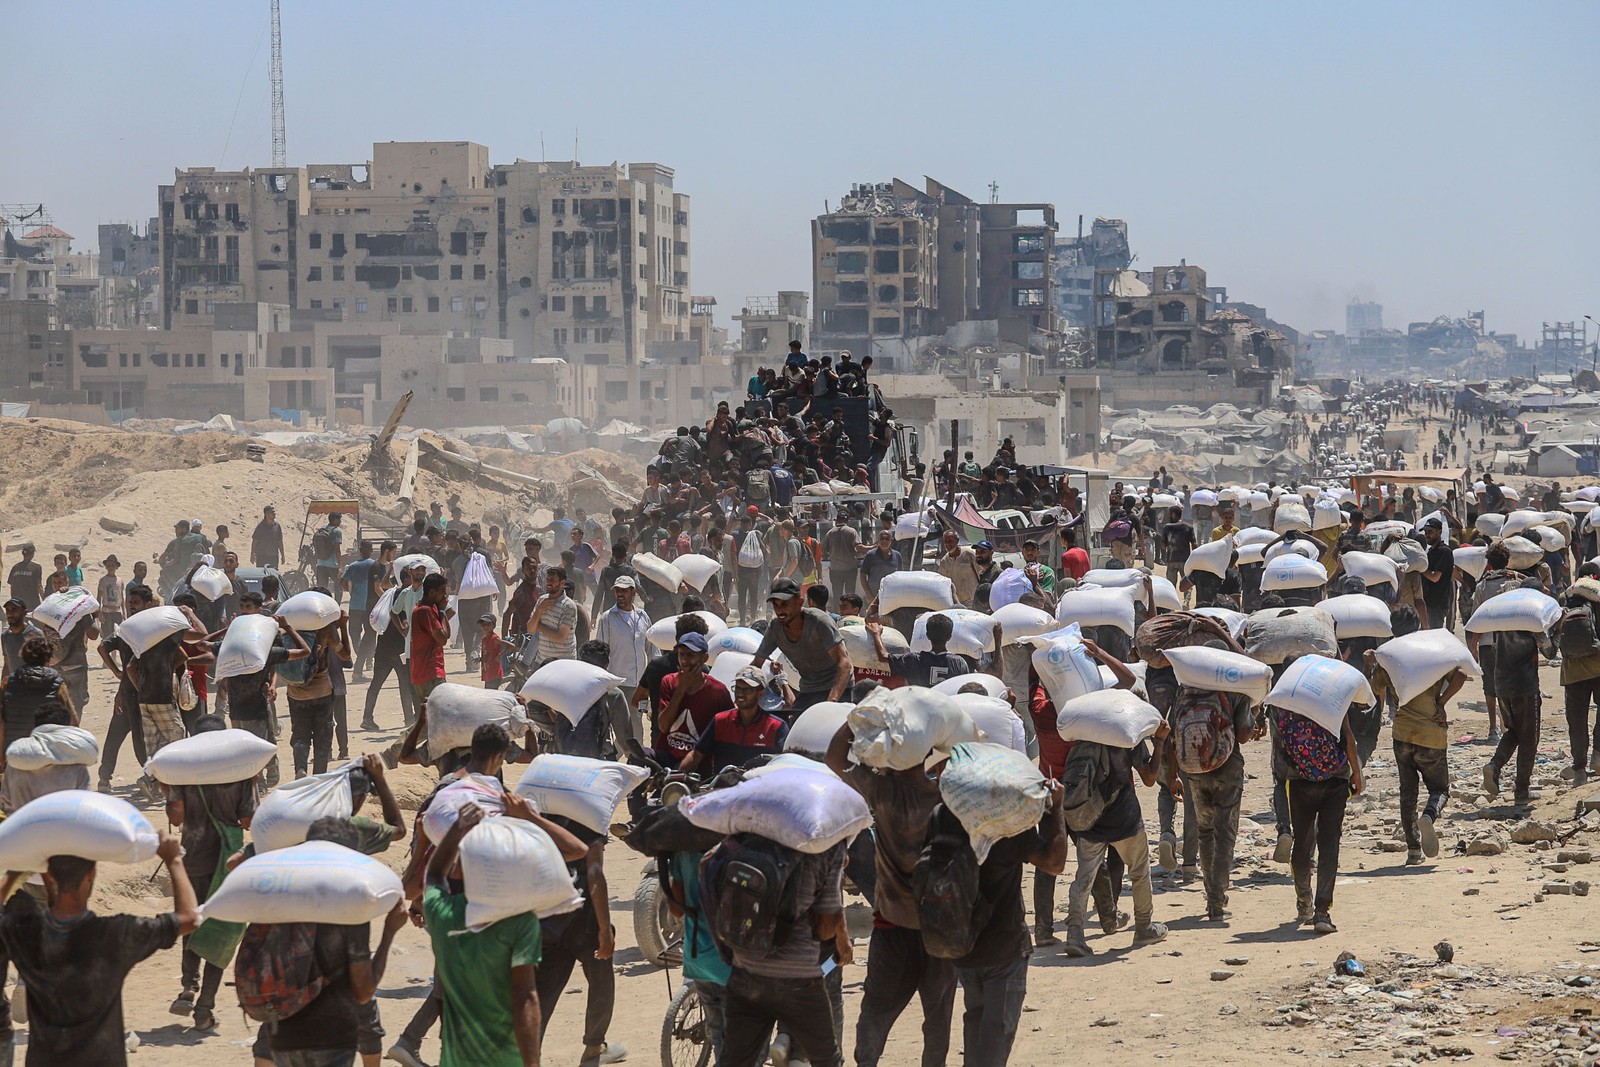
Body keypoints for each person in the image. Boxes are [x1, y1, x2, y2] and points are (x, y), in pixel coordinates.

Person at [0, 830, 198, 1067]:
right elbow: (189, 919)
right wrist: (174, 860)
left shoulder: (24, 933)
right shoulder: (115, 934)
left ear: (47, 876)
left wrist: (13, 873)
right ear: (91, 875)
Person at [824, 721, 956, 1067]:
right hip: (940, 927)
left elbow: (834, 757)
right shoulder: (945, 796)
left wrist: (857, 718)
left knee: (876, 1011)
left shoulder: (882, 792)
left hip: (892, 923)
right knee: (938, 1016)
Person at [423, 794, 587, 1067]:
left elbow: (434, 874)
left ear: (460, 872)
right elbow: (525, 997)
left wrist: (457, 828)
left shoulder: (441, 916)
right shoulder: (518, 923)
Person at [239, 817, 409, 1067]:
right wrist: (389, 932)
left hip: (283, 1036)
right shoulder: (350, 909)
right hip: (331, 1039)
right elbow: (363, 992)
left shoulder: (282, 899)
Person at [939, 778, 1068, 1066]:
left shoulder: (945, 820)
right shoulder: (1007, 827)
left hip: (963, 949)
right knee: (995, 1039)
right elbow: (1054, 862)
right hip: (1004, 950)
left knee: (975, 1025)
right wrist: (1055, 808)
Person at [710, 834, 847, 1067]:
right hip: (799, 978)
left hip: (746, 972)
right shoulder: (826, 846)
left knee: (734, 1061)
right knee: (828, 1060)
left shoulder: (745, 837)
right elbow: (825, 929)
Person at [161, 714, 254, 1031]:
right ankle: (205, 1009)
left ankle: (189, 985)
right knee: (222, 931)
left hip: (194, 859)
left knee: (192, 921)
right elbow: (247, 821)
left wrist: (167, 791)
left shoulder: (183, 771)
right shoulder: (241, 772)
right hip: (228, 862)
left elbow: (176, 818)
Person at [1059, 719, 1171, 957]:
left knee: (1084, 877)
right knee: (1139, 872)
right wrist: (1160, 742)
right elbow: (1150, 778)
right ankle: (1144, 927)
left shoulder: (1082, 737)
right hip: (1124, 819)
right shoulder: (1127, 735)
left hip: (1089, 820)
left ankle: (1075, 933)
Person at [1164, 650, 1258, 922]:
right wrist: (1253, 713)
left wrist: (1173, 775)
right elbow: (1244, 734)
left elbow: (1172, 735)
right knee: (1225, 834)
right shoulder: (1235, 689)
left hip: (1194, 772)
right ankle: (1216, 898)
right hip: (1228, 771)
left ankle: (1210, 891)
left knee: (1205, 831)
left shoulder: (1185, 691)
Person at [1266, 703, 1363, 932]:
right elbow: (1348, 736)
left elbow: (1279, 747)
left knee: (1302, 842)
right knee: (1329, 844)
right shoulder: (1333, 696)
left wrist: (1284, 779)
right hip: (1336, 777)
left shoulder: (1286, 699)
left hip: (1299, 779)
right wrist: (1356, 772)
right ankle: (1322, 912)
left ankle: (1304, 899)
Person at [1367, 641, 1463, 864]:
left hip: (1402, 735)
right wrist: (1441, 702)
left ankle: (1413, 851)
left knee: (1408, 793)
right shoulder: (1433, 656)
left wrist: (1368, 664)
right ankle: (1429, 815)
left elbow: (1372, 689)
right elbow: (1460, 675)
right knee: (1440, 789)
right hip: (1431, 735)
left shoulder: (1391, 662)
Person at [751, 578, 852, 715]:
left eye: (785, 604)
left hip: (839, 688)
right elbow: (756, 664)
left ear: (799, 602)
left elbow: (844, 663)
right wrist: (743, 690)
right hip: (809, 689)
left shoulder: (819, 622)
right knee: (795, 723)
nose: (779, 610)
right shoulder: (775, 628)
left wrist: (831, 702)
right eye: (775, 604)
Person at [679, 665, 788, 774]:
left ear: (761, 693)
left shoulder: (776, 726)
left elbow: (785, 763)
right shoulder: (720, 720)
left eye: (747, 690)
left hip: (758, 784)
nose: (740, 693)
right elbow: (696, 755)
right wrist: (677, 777)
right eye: (738, 688)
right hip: (721, 783)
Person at [286, 614, 351, 779]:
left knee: (300, 735)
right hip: (321, 692)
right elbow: (345, 655)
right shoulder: (326, 629)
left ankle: (300, 769)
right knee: (322, 738)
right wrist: (343, 626)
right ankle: (318, 778)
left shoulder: (290, 627)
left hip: (296, 693)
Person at [655, 632, 732, 767]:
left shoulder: (717, 691)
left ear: (704, 658)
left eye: (690, 655)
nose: (684, 661)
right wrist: (681, 690)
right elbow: (663, 726)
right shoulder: (669, 682)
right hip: (667, 756)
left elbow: (728, 731)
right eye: (681, 655)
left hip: (698, 762)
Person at [867, 613, 967, 688]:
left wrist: (876, 634)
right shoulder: (959, 663)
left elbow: (883, 656)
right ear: (949, 637)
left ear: (927, 635)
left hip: (919, 707)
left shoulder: (913, 659)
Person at [595, 575, 652, 693]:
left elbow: (652, 649)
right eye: (617, 590)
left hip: (640, 684)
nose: (620, 594)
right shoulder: (607, 618)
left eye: (624, 590)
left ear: (633, 592)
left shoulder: (643, 616)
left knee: (640, 706)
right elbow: (600, 653)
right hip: (618, 685)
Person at [342, 540, 387, 682]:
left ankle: (362, 655)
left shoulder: (353, 566)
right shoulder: (376, 565)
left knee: (354, 633)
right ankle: (368, 660)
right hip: (371, 605)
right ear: (371, 550)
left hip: (355, 605)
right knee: (370, 634)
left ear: (360, 551)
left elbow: (343, 581)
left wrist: (352, 591)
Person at [409, 573, 453, 712]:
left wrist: (441, 611)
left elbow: (447, 634)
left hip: (426, 673)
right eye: (442, 592)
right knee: (440, 715)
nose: (445, 596)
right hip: (430, 673)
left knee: (430, 717)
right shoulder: (425, 611)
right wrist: (442, 611)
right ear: (432, 592)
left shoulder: (431, 608)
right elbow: (442, 639)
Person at [527, 565, 578, 665]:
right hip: (542, 661)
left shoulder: (568, 606)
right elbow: (530, 629)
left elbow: (560, 637)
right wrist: (539, 610)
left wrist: (538, 625)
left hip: (563, 663)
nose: (549, 583)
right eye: (548, 579)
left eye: (553, 580)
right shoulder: (542, 600)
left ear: (562, 583)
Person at [1419, 518, 1455, 629]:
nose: (1427, 535)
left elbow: (1435, 577)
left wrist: (1419, 568)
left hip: (1436, 604)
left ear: (1439, 532)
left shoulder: (1444, 551)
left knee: (1433, 635)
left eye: (1430, 532)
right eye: (1425, 532)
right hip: (1427, 602)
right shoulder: (1431, 551)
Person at [937, 531, 981, 608]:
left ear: (957, 541)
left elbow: (981, 574)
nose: (948, 544)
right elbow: (943, 583)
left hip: (973, 601)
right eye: (945, 541)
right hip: (955, 603)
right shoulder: (944, 561)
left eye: (950, 540)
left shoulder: (968, 554)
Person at [823, 514, 862, 599]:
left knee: (837, 595)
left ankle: (837, 607)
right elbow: (859, 548)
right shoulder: (852, 531)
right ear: (847, 521)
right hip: (850, 569)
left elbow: (824, 549)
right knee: (850, 595)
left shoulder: (830, 532)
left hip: (835, 569)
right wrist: (872, 547)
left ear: (837, 520)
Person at [858, 530, 902, 604]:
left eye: (887, 539)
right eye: (882, 539)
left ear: (891, 540)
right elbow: (862, 575)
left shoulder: (897, 556)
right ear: (878, 540)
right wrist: (868, 594)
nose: (884, 541)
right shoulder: (870, 555)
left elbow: (900, 577)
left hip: (892, 596)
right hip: (874, 597)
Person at [1160, 506, 1196, 588]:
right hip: (1185, 560)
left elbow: (1163, 546)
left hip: (1171, 560)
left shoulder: (1167, 527)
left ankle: (1172, 596)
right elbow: (1194, 544)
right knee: (1187, 583)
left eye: (1169, 514)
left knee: (1170, 585)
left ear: (1173, 514)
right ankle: (1187, 596)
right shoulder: (1188, 527)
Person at [314, 512, 346, 600]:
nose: (340, 521)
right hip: (333, 565)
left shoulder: (323, 530)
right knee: (338, 587)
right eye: (339, 519)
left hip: (321, 564)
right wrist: (340, 567)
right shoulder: (337, 531)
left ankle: (322, 605)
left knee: (321, 590)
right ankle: (336, 605)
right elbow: (337, 550)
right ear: (334, 520)